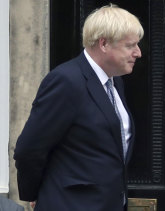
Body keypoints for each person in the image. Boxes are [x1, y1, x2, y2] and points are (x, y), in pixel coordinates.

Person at [13, 4, 143, 211]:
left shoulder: (115, 81)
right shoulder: (66, 81)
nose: (138, 53)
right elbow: (29, 149)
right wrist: (36, 193)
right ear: (103, 44)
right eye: (130, 45)